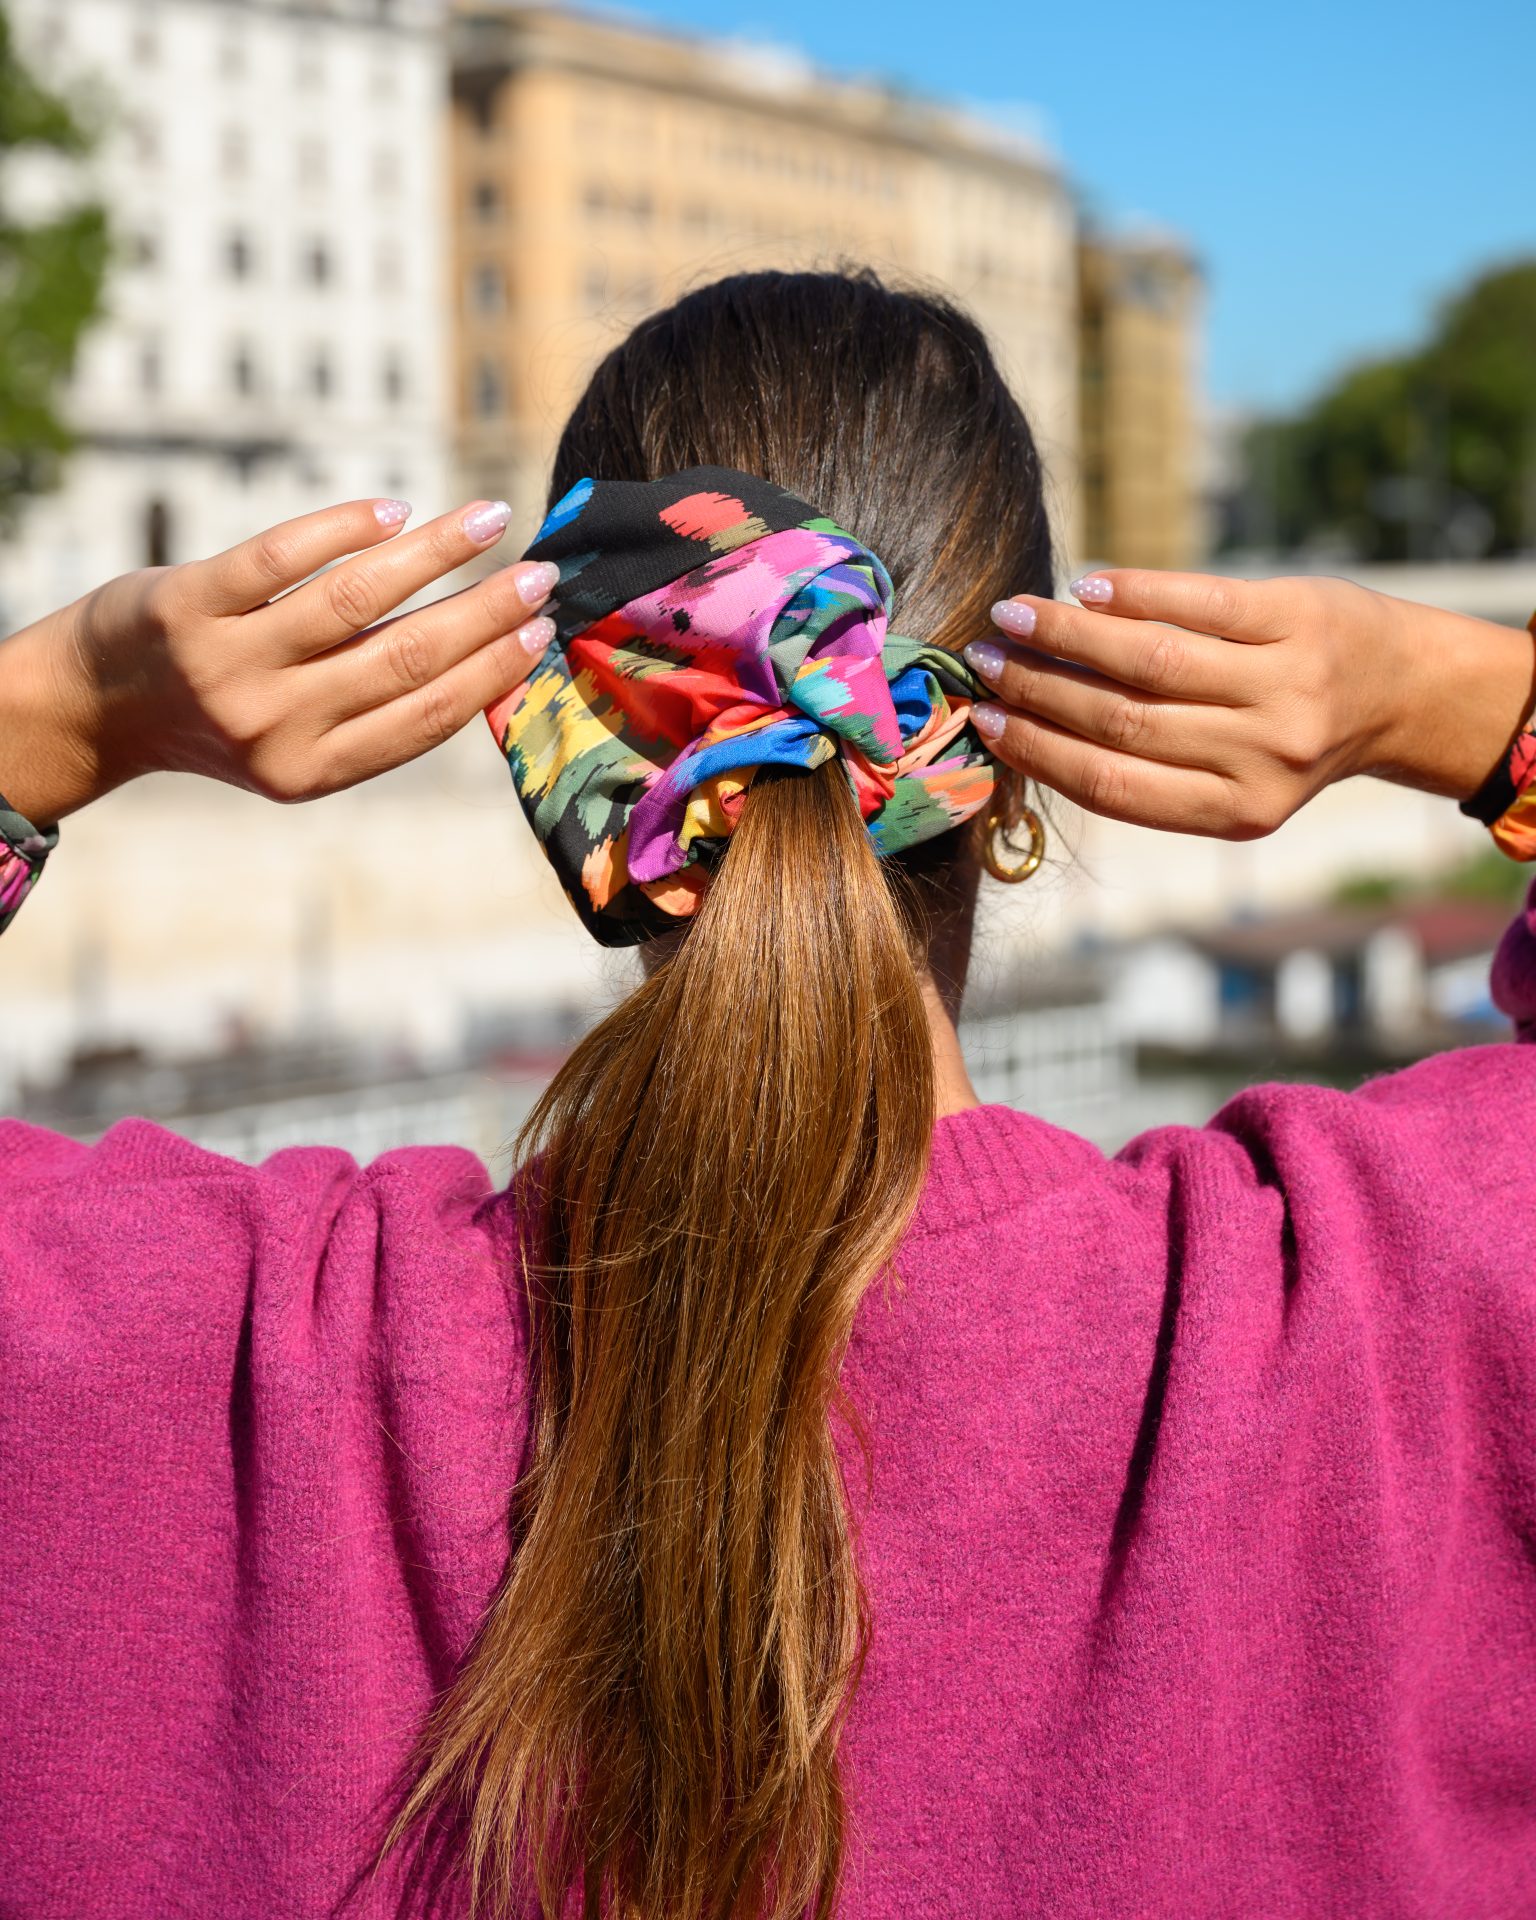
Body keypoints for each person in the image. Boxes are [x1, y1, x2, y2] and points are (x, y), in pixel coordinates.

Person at [1, 270, 1534, 1920]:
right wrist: (1462, 706)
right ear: (1006, 790)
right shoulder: (1415, 1300)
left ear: (569, 775)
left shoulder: (159, 1352)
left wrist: (63, 706)